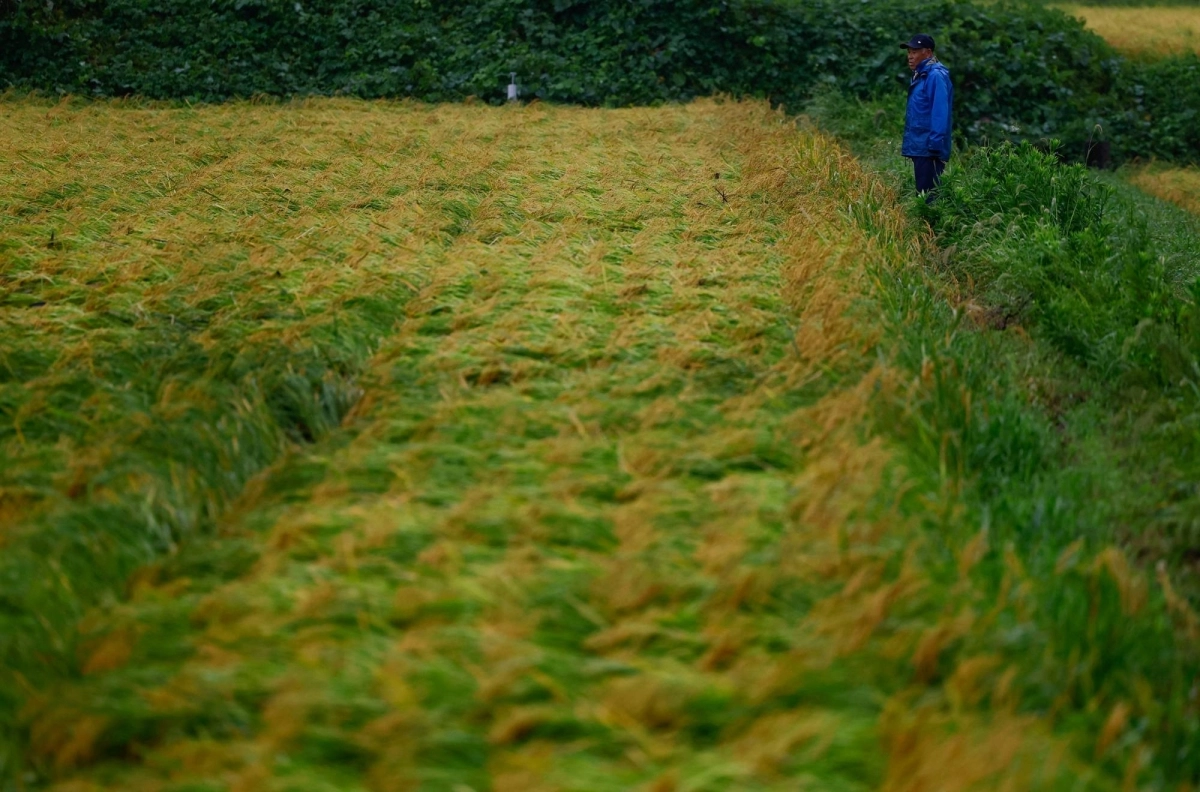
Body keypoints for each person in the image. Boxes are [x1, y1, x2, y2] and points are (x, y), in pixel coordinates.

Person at [901, 34, 953, 201]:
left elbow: (940, 112)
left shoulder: (935, 76)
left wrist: (934, 146)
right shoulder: (921, 74)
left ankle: (929, 227)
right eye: (909, 52)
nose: (910, 56)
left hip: (929, 148)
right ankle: (926, 226)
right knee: (924, 195)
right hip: (921, 146)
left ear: (928, 53)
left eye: (915, 52)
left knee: (928, 198)